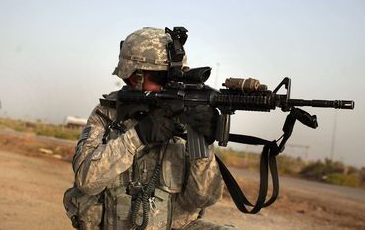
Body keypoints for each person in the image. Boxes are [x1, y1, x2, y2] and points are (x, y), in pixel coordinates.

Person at [64, 27, 236, 230]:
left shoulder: (186, 119)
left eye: (177, 78)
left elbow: (201, 199)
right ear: (133, 77)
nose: (171, 86)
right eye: (162, 79)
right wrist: (137, 136)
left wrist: (204, 147)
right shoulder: (107, 114)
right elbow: (86, 180)